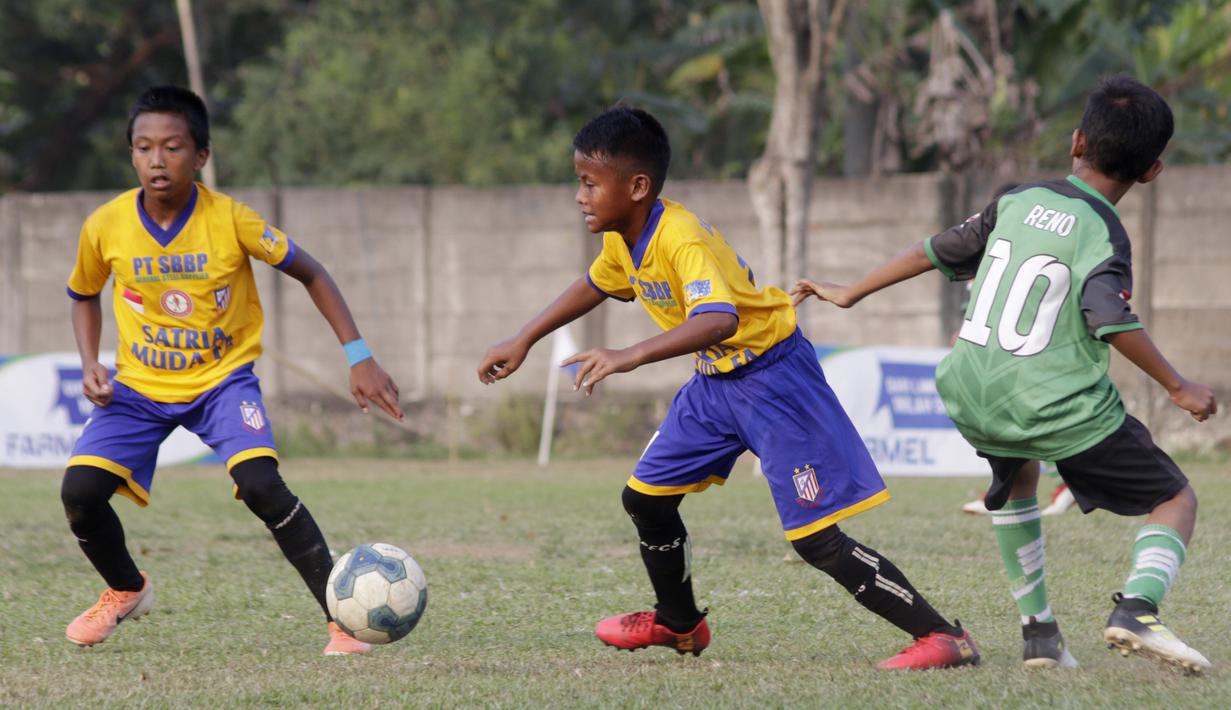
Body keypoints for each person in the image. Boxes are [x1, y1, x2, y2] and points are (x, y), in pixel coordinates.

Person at [477, 106, 979, 670]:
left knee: (814, 540)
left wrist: (628, 355)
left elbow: (719, 320)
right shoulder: (625, 236)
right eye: (580, 182)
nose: (580, 196)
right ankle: (680, 624)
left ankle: (943, 636)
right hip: (715, 384)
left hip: (773, 379)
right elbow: (594, 284)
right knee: (644, 499)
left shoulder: (680, 237)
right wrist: (523, 338)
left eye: (591, 183)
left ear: (637, 186)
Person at [793, 76, 1215, 673]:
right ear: (1152, 171)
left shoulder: (1016, 199)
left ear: (1076, 142)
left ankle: (1040, 635)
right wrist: (1178, 386)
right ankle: (1137, 610)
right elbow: (1108, 317)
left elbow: (935, 249)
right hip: (1050, 402)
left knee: (1018, 480)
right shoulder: (1102, 231)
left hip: (971, 390)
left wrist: (853, 291)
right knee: (1174, 497)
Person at [62, 86, 404, 655]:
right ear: (131, 156)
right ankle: (125, 589)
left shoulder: (232, 220)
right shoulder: (105, 225)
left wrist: (358, 354)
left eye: (172, 147)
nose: (156, 160)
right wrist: (88, 361)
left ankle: (341, 620)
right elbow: (81, 293)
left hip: (223, 381)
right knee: (79, 491)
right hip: (140, 387)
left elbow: (312, 272)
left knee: (262, 485)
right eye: (143, 148)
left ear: (200, 156)